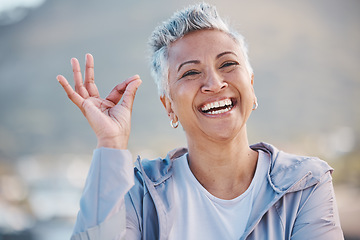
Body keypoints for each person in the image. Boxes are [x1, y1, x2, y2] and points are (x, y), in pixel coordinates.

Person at [57, 3, 344, 240]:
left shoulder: (304, 184)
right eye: (190, 73)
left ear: (251, 86)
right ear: (169, 106)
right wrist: (111, 143)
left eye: (228, 64)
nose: (214, 83)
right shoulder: (140, 192)